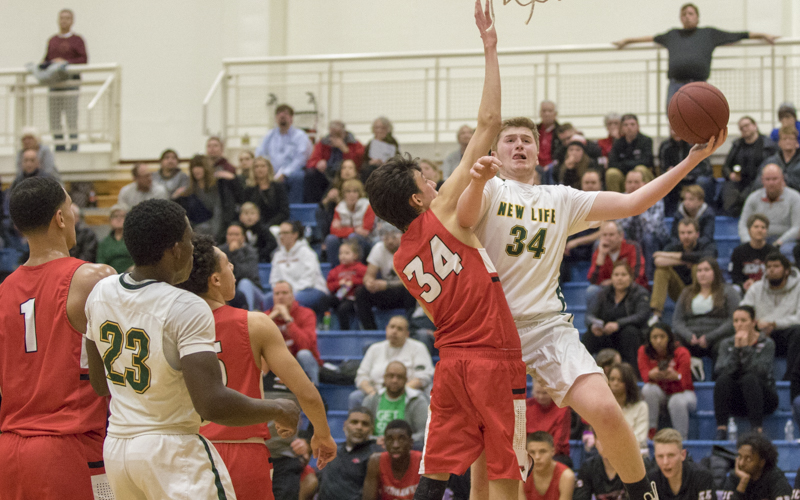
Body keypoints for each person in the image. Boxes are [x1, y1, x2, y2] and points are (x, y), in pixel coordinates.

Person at [459, 69, 726, 499]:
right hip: (489, 332)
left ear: (539, 153)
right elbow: (466, 218)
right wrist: (476, 178)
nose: (520, 145)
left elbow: (634, 201)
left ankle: (643, 493)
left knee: (605, 409)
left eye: (527, 140)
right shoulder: (488, 190)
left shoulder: (561, 198)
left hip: (545, 325)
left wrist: (692, 159)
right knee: (489, 463)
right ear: (496, 150)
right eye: (510, 140)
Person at [365, 4, 530, 497]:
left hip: (451, 362)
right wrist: (491, 49)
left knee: (435, 472)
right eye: (428, 179)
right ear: (419, 198)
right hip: (493, 357)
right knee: (506, 470)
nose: (437, 179)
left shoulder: (399, 259)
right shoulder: (445, 215)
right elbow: (489, 123)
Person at [84, 199, 300, 499]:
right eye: (188, 239)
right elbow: (211, 403)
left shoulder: (100, 292)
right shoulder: (186, 306)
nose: (192, 247)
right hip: (172, 452)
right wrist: (280, 408)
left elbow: (99, 383)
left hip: (119, 449)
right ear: (175, 249)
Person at [177, 233, 336, 500]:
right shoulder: (254, 323)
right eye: (228, 264)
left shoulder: (172, 325)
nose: (233, 269)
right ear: (215, 279)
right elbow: (305, 391)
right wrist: (322, 434)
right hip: (240, 450)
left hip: (187, 451)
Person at [0, 177, 113, 498]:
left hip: (9, 452)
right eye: (70, 206)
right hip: (69, 448)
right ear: (60, 218)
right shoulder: (94, 277)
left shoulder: (3, 291)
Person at [614, 3, 777, 108]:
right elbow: (650, 38)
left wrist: (763, 35)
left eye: (691, 13)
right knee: (674, 119)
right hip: (676, 84)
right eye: (684, 14)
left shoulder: (709, 34)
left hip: (699, 84)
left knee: (699, 118)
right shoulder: (672, 34)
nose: (687, 16)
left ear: (697, 18)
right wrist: (627, 40)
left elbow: (738, 35)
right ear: (680, 18)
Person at [713, 306, 778, 439]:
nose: (739, 324)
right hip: (737, 399)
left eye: (743, 320)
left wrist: (746, 348)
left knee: (750, 379)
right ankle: (721, 430)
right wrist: (737, 350)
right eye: (736, 321)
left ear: (753, 322)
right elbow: (721, 370)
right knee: (722, 380)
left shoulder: (766, 343)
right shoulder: (727, 343)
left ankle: (757, 431)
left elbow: (761, 371)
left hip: (764, 397)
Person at [351, 316, 434, 409]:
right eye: (392, 327)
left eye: (399, 329)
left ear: (407, 333)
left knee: (421, 398)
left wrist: (397, 392)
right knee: (356, 397)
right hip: (376, 393)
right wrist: (371, 392)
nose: (394, 331)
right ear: (386, 329)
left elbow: (423, 377)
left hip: (408, 393)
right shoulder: (374, 348)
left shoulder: (418, 348)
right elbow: (362, 376)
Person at [739, 252, 800, 380]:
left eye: (776, 266)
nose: (771, 270)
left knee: (798, 332)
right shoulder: (756, 288)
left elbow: (798, 318)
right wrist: (755, 325)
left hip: (787, 334)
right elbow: (743, 312)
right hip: (760, 332)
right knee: (741, 329)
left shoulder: (798, 288)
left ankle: (791, 378)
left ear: (787, 271)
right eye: (769, 267)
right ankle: (744, 377)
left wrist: (774, 323)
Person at [583, 260, 650, 369]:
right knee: (589, 336)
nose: (619, 278)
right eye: (616, 275)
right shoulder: (603, 293)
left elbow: (641, 316)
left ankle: (632, 372)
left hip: (630, 335)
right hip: (607, 333)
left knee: (629, 332)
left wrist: (618, 324)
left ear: (630, 277)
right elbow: (589, 315)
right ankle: (584, 372)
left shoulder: (640, 293)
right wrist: (595, 325)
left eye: (624, 275)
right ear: (612, 278)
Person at [650, 218, 718, 323]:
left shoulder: (707, 245)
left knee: (698, 267)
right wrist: (685, 261)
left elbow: (709, 258)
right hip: (679, 290)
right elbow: (658, 261)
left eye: (689, 233)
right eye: (682, 233)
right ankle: (657, 314)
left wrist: (671, 256)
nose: (686, 236)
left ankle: (698, 307)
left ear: (697, 234)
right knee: (661, 270)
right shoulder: (673, 246)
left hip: (701, 291)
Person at [671, 257, 740, 358]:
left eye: (707, 270)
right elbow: (677, 320)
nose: (702, 274)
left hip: (717, 337)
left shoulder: (728, 291)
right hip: (691, 337)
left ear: (715, 272)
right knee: (674, 342)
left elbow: (732, 319)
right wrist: (688, 335)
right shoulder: (687, 292)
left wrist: (709, 337)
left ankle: (719, 373)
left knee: (724, 346)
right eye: (699, 270)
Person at [638, 324, 696, 439]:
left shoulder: (682, 352)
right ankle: (651, 432)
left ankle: (681, 440)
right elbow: (644, 376)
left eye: (662, 336)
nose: (658, 341)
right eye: (654, 337)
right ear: (649, 339)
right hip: (661, 395)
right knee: (648, 389)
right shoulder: (644, 351)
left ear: (669, 337)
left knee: (676, 400)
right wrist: (653, 374)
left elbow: (686, 383)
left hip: (683, 394)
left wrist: (676, 376)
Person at [355, 225, 418, 330]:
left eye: (393, 238)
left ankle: (411, 328)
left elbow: (414, 281)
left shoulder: (410, 248)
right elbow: (368, 276)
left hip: (405, 293)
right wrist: (369, 283)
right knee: (361, 292)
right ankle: (370, 330)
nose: (390, 242)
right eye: (386, 238)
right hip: (387, 293)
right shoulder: (378, 249)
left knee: (411, 290)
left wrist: (387, 285)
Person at [44, 8, 87, 152]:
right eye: (62, 18)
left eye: (67, 18)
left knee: (71, 116)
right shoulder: (53, 40)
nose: (64, 21)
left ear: (72, 21)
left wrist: (65, 62)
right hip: (55, 83)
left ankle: (74, 146)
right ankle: (59, 146)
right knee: (54, 117)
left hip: (71, 82)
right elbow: (46, 59)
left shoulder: (77, 40)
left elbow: (83, 59)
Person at [267, 281, 324, 386]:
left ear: (293, 296)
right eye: (277, 294)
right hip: (277, 363)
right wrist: (269, 319)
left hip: (300, 363)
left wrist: (288, 319)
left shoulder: (306, 314)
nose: (280, 297)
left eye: (285, 293)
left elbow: (306, 345)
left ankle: (313, 395)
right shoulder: (266, 316)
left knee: (304, 355)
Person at [618, 169, 671, 279]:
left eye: (636, 182)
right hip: (632, 236)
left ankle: (648, 278)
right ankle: (628, 276)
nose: (633, 185)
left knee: (648, 238)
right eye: (629, 182)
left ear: (644, 184)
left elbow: (653, 227)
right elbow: (619, 227)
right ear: (625, 184)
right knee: (619, 237)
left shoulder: (655, 197)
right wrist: (630, 204)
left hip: (657, 239)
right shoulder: (619, 198)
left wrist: (640, 206)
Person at [720, 117, 778, 216]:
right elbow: (726, 167)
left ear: (755, 126)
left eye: (746, 125)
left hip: (760, 182)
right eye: (741, 128)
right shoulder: (737, 145)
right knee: (728, 189)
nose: (744, 129)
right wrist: (731, 175)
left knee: (754, 188)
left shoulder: (769, 145)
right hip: (740, 182)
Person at [255, 104, 313, 204]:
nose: (282, 117)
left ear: (291, 118)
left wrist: (285, 173)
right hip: (271, 172)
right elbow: (260, 153)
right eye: (279, 115)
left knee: (298, 177)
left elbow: (301, 158)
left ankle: (293, 208)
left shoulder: (300, 136)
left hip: (292, 172)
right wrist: (266, 170)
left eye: (285, 114)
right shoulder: (269, 135)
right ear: (276, 118)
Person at [318, 408, 380, 500]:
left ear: (371, 430)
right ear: (345, 425)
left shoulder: (375, 454)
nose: (359, 427)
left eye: (365, 424)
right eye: (354, 422)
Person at [738, 164, 800, 257]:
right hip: (758, 240)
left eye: (775, 179)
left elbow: (797, 227)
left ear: (782, 179)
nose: (771, 183)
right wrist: (748, 242)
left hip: (784, 241)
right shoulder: (753, 198)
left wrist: (780, 242)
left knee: (788, 250)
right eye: (767, 179)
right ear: (762, 180)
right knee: (741, 251)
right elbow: (743, 224)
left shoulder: (795, 197)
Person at [268, 221, 329, 314]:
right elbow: (274, 279)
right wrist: (281, 292)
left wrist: (290, 293)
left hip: (311, 290)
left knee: (294, 299)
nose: (281, 236)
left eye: (285, 233)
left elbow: (309, 279)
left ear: (295, 235)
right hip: (287, 292)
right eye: (280, 233)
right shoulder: (277, 255)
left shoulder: (307, 253)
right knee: (267, 299)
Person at [362, 361, 429, 447]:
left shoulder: (417, 400)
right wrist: (376, 440)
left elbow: (424, 433)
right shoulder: (371, 400)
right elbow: (363, 431)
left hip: (406, 448)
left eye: (399, 377)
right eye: (391, 376)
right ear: (384, 378)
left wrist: (399, 441)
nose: (394, 380)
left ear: (406, 379)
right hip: (376, 445)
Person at [586, 221, 647, 305]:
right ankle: (593, 318)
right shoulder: (599, 251)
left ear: (621, 236)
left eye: (611, 235)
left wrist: (614, 282)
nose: (607, 238)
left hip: (630, 288)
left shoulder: (632, 247)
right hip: (608, 292)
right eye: (604, 235)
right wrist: (601, 256)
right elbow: (593, 280)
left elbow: (638, 274)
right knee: (592, 290)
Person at [305, 120, 365, 203]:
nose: (335, 138)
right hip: (326, 173)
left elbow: (358, 163)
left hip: (344, 174)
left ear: (344, 133)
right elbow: (311, 161)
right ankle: (314, 205)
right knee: (310, 174)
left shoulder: (354, 143)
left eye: (338, 135)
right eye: (332, 135)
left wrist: (345, 150)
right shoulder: (323, 143)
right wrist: (318, 163)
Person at [363, 419, 423, 500]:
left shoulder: (422, 461)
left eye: (401, 439)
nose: (395, 445)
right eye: (390, 439)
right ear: (385, 443)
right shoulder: (376, 461)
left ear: (411, 442)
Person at [720, 433, 791, 500]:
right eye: (740, 457)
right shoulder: (734, 477)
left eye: (748, 459)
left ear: (762, 462)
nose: (741, 463)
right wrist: (743, 482)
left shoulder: (775, 477)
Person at [660, 128, 715, 214]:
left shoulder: (695, 143)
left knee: (704, 181)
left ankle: (705, 211)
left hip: (693, 179)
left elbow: (706, 169)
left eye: (678, 129)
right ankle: (669, 213)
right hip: (675, 180)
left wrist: (686, 173)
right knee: (662, 182)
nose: (675, 132)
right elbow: (663, 169)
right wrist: (671, 172)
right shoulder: (665, 146)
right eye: (672, 129)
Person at [561, 170, 603, 282]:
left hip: (593, 246)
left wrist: (577, 242)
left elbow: (605, 231)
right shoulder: (573, 202)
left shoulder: (606, 202)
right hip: (574, 248)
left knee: (601, 243)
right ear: (582, 184)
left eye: (593, 183)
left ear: (600, 184)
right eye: (587, 182)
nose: (590, 185)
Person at [651, 428, 715, 500]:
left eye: (671, 455)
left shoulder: (702, 477)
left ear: (683, 455)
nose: (665, 462)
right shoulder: (651, 480)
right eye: (660, 456)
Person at [325, 178, 375, 267]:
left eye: (355, 192)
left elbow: (366, 231)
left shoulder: (367, 206)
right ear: (344, 194)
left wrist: (343, 228)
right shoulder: (339, 208)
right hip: (346, 240)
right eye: (348, 192)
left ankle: (357, 269)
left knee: (354, 237)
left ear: (359, 194)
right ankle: (336, 270)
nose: (351, 195)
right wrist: (354, 229)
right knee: (330, 239)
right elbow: (333, 231)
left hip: (366, 241)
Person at [220, 222, 266, 311]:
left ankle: (247, 316)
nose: (233, 237)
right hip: (229, 288)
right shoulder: (220, 251)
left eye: (236, 234)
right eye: (230, 234)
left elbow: (246, 273)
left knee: (244, 283)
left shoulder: (251, 252)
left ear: (243, 237)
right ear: (226, 237)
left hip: (252, 289)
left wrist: (235, 253)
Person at [526, 379, 572, 466]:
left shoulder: (562, 409)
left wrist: (542, 455)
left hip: (554, 454)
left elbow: (560, 442)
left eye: (544, 393)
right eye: (537, 392)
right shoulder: (527, 406)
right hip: (530, 452)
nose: (540, 396)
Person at [322, 240, 367, 329]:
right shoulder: (335, 270)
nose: (343, 256)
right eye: (341, 253)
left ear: (355, 255)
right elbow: (329, 285)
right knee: (324, 300)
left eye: (347, 253)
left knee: (343, 309)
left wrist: (353, 282)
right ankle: (325, 323)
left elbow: (366, 280)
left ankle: (344, 331)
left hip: (352, 299)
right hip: (339, 296)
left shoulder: (361, 268)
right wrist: (339, 283)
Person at [572, 430, 627, 500]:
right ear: (595, 442)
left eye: (610, 439)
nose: (606, 444)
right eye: (602, 439)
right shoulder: (588, 466)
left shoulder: (630, 466)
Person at [606, 114, 654, 192]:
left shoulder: (646, 141)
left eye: (632, 124)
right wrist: (630, 165)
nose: (629, 127)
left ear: (638, 126)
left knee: (640, 169)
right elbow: (612, 163)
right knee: (611, 173)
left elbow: (647, 161)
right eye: (626, 125)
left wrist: (625, 164)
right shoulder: (617, 143)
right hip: (624, 175)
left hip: (641, 174)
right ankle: (616, 202)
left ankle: (646, 199)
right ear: (622, 128)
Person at [520, 431, 575, 500]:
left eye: (542, 451)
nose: (537, 457)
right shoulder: (522, 475)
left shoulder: (566, 476)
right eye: (532, 452)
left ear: (553, 451)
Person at [608, 363, 649, 452]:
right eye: (612, 379)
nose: (615, 383)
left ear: (628, 382)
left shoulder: (641, 407)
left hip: (635, 453)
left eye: (620, 380)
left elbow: (640, 437)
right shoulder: (604, 408)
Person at [243, 156, 291, 228]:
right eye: (256, 167)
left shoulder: (278, 187)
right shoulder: (249, 189)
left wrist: (269, 225)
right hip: (254, 226)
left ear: (268, 168)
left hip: (276, 225)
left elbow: (284, 211)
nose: (260, 169)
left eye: (263, 166)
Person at [731, 214, 775, 292]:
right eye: (756, 227)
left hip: (768, 289)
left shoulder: (773, 252)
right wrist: (744, 284)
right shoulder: (738, 251)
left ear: (767, 231)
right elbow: (735, 276)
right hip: (746, 289)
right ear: (749, 230)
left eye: (763, 227)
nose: (760, 230)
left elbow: (777, 275)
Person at [360, 116, 400, 185]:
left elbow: (396, 159)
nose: (379, 130)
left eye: (382, 128)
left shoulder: (392, 142)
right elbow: (365, 159)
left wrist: (384, 162)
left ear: (388, 129)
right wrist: (371, 162)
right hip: (372, 170)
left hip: (387, 170)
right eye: (377, 128)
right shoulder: (371, 143)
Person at [96, 204, 134, 273]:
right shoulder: (104, 243)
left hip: (132, 276)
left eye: (122, 216)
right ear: (110, 220)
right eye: (115, 216)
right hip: (110, 277)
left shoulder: (134, 239)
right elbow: (100, 264)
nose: (119, 219)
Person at [762, 126, 800, 191]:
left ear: (797, 143)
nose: (788, 141)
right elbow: (759, 183)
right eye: (784, 139)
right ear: (779, 143)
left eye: (791, 139)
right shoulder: (770, 162)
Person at [537, 100, 561, 168]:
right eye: (544, 111)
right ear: (540, 113)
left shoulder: (560, 131)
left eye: (550, 111)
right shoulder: (534, 130)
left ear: (555, 114)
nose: (546, 114)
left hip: (554, 167)